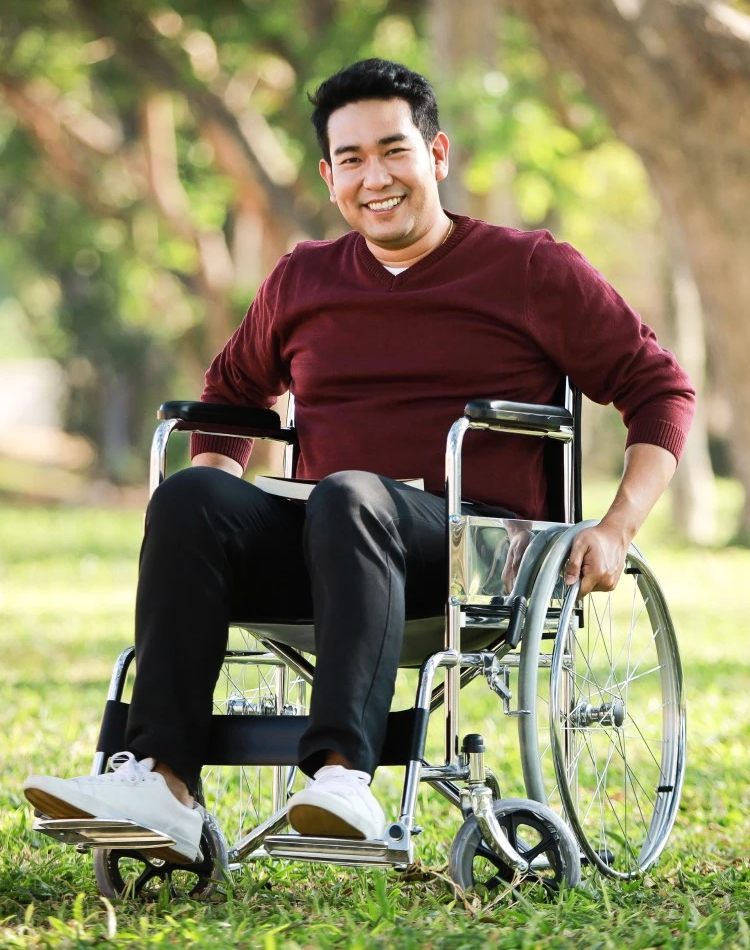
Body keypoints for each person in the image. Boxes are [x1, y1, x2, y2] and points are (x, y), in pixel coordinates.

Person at [24, 58, 695, 863]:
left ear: (437, 154)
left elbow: (657, 388)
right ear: (328, 176)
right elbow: (234, 394)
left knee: (347, 496)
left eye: (394, 151)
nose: (375, 178)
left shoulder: (530, 269)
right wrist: (218, 521)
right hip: (328, 542)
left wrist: (618, 527)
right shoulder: (303, 277)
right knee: (192, 494)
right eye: (352, 160)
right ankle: (161, 784)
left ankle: (342, 778)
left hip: (469, 552)